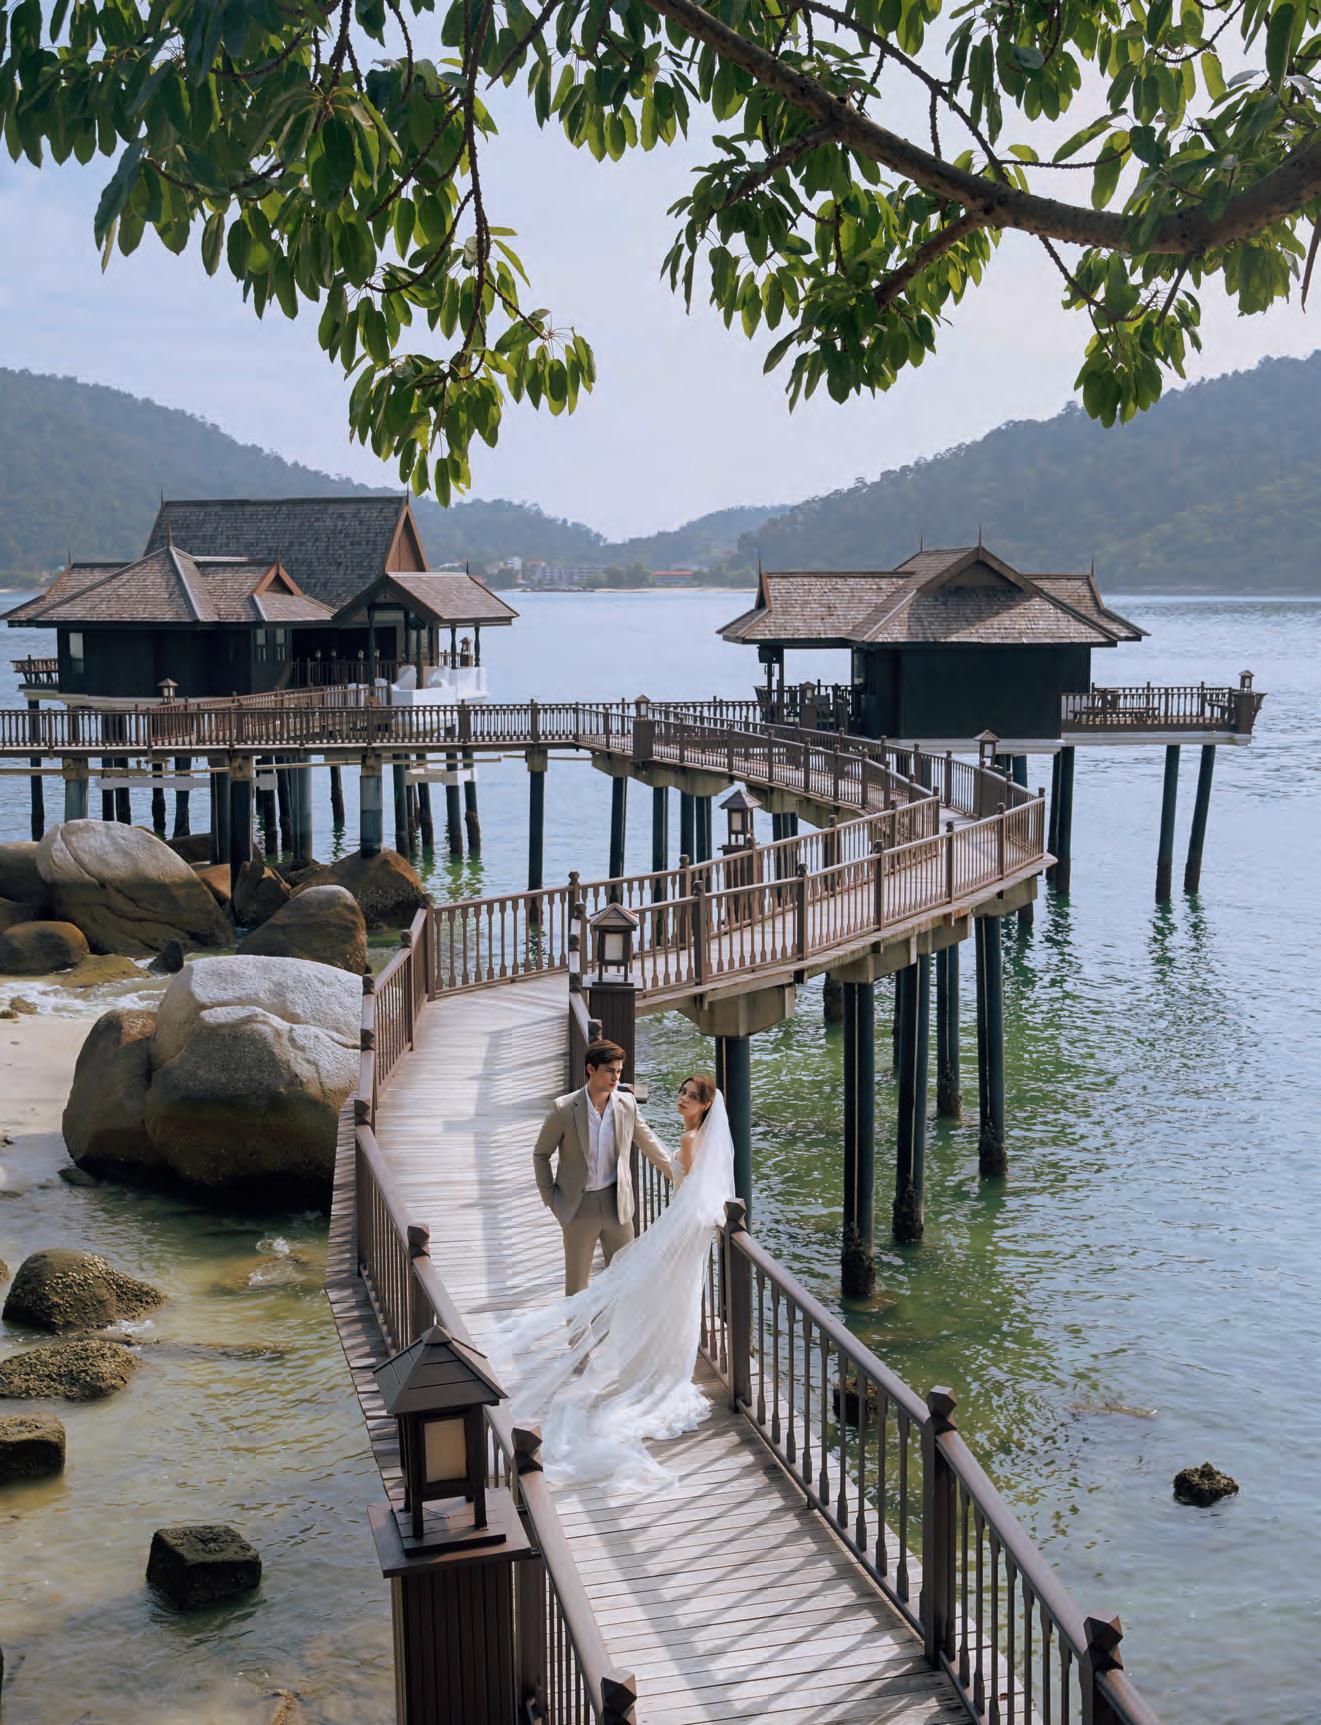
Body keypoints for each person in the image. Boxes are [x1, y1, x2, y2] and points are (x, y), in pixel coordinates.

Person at [498, 1073, 734, 1492]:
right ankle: (659, 1371)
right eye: (681, 1092)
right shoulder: (696, 1139)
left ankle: (651, 1371)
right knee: (669, 1300)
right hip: (689, 1235)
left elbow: (691, 1193)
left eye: (691, 1096)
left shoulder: (689, 1141)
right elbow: (702, 1191)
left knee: (647, 1292)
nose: (682, 1099)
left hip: (679, 1233)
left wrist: (672, 1234)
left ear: (705, 1106)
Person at [532, 1038, 679, 1296]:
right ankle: (578, 1327)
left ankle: (615, 1325)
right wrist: (551, 1199)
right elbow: (540, 1154)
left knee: (625, 1282)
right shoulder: (564, 1109)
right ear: (591, 1068)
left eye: (619, 1071)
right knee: (577, 1288)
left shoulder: (627, 1104)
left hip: (617, 1205)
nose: (615, 1077)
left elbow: (649, 1144)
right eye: (610, 1070)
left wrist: (679, 1177)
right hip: (578, 1207)